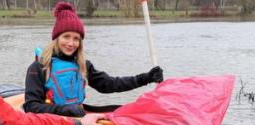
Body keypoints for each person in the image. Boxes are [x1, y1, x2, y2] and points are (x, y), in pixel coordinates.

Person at [23, 1, 164, 117]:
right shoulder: (38, 67)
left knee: (127, 111)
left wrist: (145, 78)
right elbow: (30, 106)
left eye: (76, 39)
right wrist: (63, 110)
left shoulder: (83, 65)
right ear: (56, 38)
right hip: (51, 121)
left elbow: (110, 84)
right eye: (66, 37)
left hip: (77, 115)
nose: (71, 43)